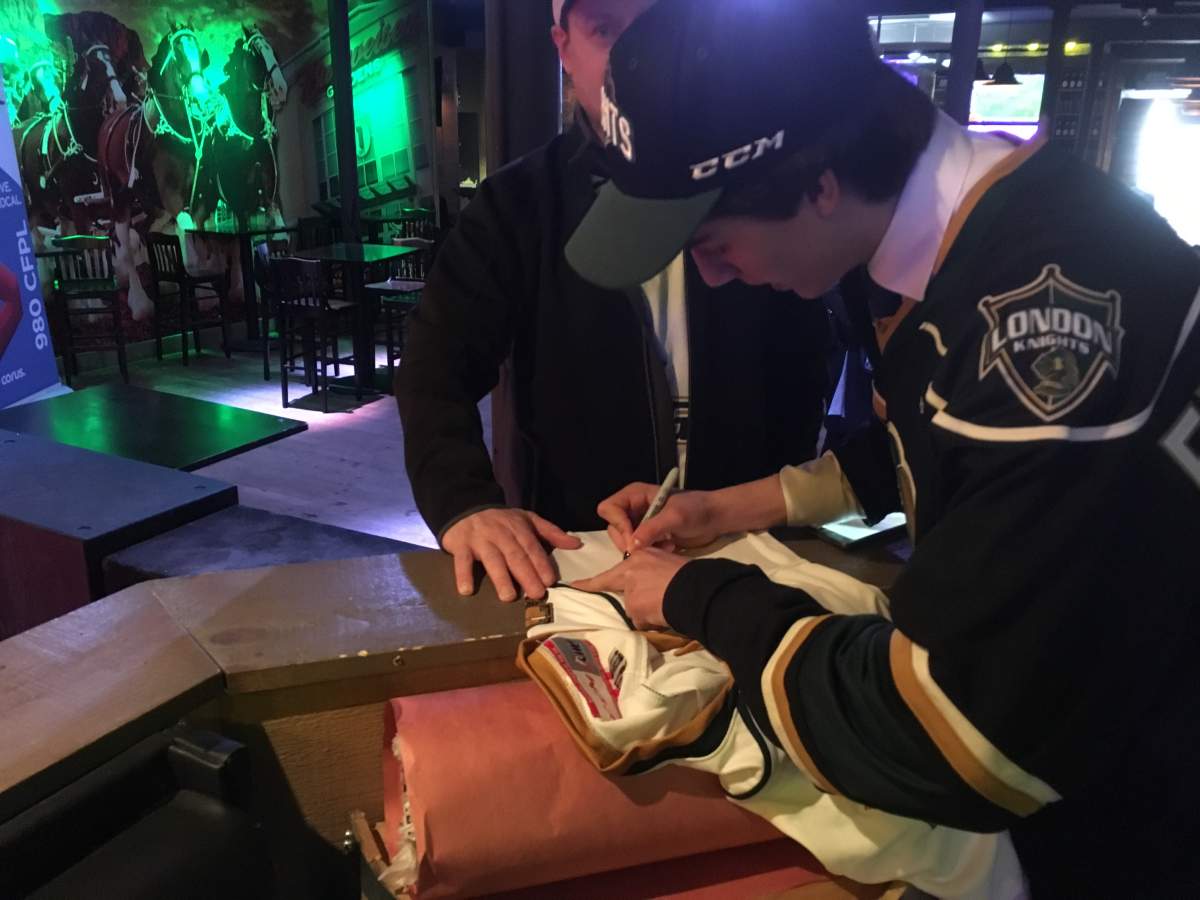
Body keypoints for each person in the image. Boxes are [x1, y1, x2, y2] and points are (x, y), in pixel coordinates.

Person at [567, 0, 1200, 895]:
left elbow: (951, 738)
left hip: (1141, 819)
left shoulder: (1035, 318)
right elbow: (929, 446)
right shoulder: (972, 238)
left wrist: (699, 595)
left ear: (819, 182)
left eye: (711, 239)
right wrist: (723, 510)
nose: (707, 273)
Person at [395, 0, 831, 604]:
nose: (637, 58)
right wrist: (464, 502)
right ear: (562, 48)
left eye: (659, 26)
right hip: (581, 557)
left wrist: (785, 498)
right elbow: (431, 369)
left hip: (754, 542)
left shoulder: (763, 168)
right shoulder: (517, 205)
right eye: (606, 30)